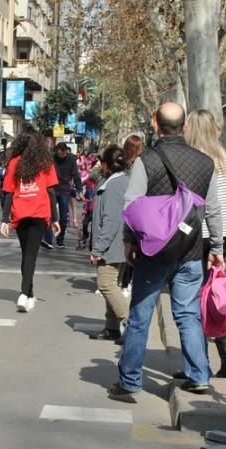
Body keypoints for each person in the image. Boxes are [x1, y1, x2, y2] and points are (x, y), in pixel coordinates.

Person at [109, 103, 224, 399]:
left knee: (140, 316)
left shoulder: (146, 161)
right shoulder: (204, 162)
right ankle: (198, 374)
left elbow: (131, 206)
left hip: (154, 252)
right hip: (191, 250)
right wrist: (217, 247)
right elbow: (213, 209)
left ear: (154, 124)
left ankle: (130, 380)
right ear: (184, 127)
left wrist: (130, 241)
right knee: (188, 314)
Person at [184, 109, 226, 378]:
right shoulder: (225, 159)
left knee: (196, 301)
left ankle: (199, 366)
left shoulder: (198, 160)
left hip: (204, 235)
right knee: (215, 297)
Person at [0, 129, 60, 312]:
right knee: (30, 255)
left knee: (27, 254)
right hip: (40, 213)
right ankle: (26, 293)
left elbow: (8, 193)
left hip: (21, 213)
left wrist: (5, 218)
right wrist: (56, 218)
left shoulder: (14, 163)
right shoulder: (45, 162)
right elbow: (51, 192)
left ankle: (27, 293)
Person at [88, 145, 130, 342]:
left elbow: (111, 220)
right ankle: (111, 327)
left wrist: (98, 247)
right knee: (111, 283)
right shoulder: (118, 180)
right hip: (118, 243)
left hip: (112, 245)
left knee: (105, 284)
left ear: (106, 164)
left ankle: (130, 323)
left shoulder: (114, 185)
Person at [46, 142, 82, 248]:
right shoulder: (52, 158)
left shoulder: (70, 159)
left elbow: (76, 175)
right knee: (49, 214)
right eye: (59, 153)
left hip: (65, 190)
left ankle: (60, 239)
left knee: (63, 217)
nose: (62, 156)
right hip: (52, 188)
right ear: (56, 151)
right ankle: (48, 239)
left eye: (63, 153)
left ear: (66, 151)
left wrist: (79, 189)